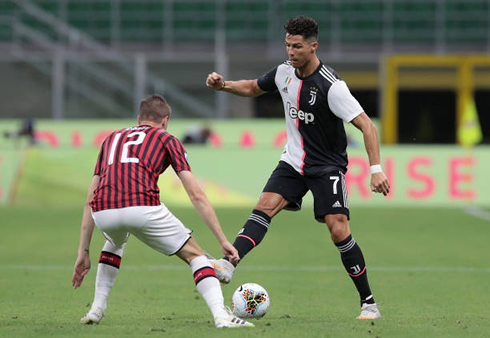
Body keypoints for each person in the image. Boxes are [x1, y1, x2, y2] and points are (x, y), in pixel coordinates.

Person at [205, 16, 390, 320]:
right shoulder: (283, 73)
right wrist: (223, 85)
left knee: (338, 228)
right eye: (288, 45)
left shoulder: (332, 86)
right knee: (264, 206)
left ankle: (368, 303)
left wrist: (376, 169)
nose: (291, 51)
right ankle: (228, 263)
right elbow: (253, 87)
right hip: (293, 160)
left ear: (313, 46)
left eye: (297, 46)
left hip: (327, 166)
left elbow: (367, 126)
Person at [72, 94, 253, 328]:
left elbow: (89, 199)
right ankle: (221, 316)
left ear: (139, 119)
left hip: (104, 211)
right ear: (165, 121)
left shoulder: (111, 139)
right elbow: (196, 194)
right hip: (142, 207)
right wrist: (222, 240)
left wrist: (83, 251)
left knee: (115, 242)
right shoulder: (167, 139)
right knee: (196, 255)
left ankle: (96, 308)